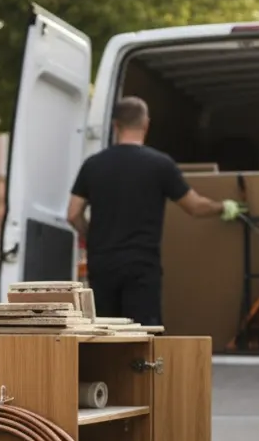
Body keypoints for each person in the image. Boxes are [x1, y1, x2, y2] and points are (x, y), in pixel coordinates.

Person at [67, 96, 244, 327]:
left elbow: (73, 214)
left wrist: (93, 238)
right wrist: (223, 206)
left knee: (104, 331)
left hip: (102, 264)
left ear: (115, 125)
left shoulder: (93, 165)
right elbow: (194, 206)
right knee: (143, 333)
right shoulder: (160, 164)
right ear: (146, 124)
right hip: (141, 266)